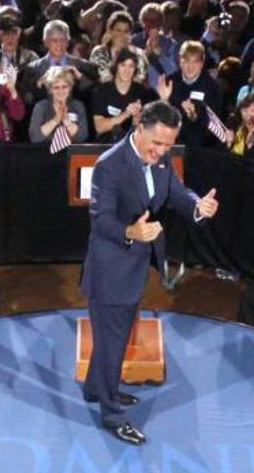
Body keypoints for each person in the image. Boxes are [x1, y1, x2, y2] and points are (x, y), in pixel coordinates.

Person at [80, 100, 219, 445]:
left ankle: (96, 389)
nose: (160, 152)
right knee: (113, 343)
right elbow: (101, 221)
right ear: (139, 127)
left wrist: (198, 206)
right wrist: (131, 232)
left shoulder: (162, 159)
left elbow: (175, 191)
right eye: (156, 143)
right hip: (111, 269)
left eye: (167, 145)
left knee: (115, 336)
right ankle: (112, 414)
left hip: (134, 266)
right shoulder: (109, 165)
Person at [91, 49, 158, 143]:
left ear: (135, 69)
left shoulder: (143, 92)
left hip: (133, 144)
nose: (127, 70)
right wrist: (126, 114)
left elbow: (149, 128)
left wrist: (137, 121)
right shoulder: (102, 90)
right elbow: (99, 127)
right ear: (116, 67)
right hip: (105, 145)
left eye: (131, 66)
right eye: (123, 65)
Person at [28, 66, 89, 145]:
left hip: (71, 153)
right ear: (50, 89)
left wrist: (67, 122)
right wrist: (55, 121)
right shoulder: (41, 107)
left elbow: (82, 137)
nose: (61, 91)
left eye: (64, 87)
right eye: (56, 87)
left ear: (70, 88)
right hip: (44, 153)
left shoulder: (78, 106)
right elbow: (35, 137)